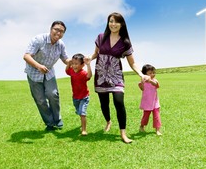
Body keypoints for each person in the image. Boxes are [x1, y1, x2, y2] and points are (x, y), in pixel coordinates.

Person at [89, 12, 150, 143]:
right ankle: (108, 121)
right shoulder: (101, 37)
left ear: (121, 24)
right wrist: (90, 57)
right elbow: (95, 53)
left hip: (116, 76)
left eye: (116, 21)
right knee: (104, 103)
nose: (113, 24)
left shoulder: (125, 42)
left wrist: (141, 74)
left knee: (118, 102)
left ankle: (123, 133)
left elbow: (132, 62)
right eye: (111, 21)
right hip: (101, 76)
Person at [23, 21, 70, 131]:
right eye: (56, 29)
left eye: (61, 31)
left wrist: (74, 61)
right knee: (40, 100)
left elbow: (65, 59)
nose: (58, 33)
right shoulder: (39, 40)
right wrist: (39, 66)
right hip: (34, 72)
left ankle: (57, 120)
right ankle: (50, 123)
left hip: (49, 72)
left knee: (53, 94)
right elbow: (26, 56)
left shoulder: (61, 45)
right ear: (51, 29)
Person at [65, 53, 92, 136]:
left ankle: (84, 130)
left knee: (82, 113)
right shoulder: (72, 71)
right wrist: (68, 64)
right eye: (73, 63)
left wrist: (88, 65)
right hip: (75, 97)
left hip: (84, 97)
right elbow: (66, 71)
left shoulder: (83, 73)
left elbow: (89, 75)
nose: (74, 65)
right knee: (79, 111)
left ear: (82, 65)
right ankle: (79, 112)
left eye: (76, 64)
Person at [138, 64, 162, 136]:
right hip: (147, 102)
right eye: (150, 73)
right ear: (145, 74)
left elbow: (156, 85)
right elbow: (142, 89)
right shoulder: (143, 82)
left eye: (153, 72)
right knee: (146, 116)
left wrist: (150, 81)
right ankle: (142, 126)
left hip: (155, 102)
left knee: (156, 116)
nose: (152, 74)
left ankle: (157, 130)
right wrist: (142, 82)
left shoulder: (154, 80)